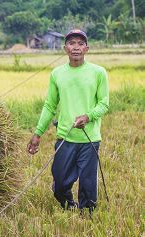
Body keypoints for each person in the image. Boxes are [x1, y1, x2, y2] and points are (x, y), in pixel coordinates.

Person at [27, 29, 109, 213]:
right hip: (65, 137)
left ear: (86, 49)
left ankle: (87, 216)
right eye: (72, 43)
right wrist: (37, 134)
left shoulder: (98, 73)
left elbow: (104, 104)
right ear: (65, 48)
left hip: (89, 139)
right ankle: (69, 204)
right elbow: (49, 106)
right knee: (60, 182)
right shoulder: (57, 74)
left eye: (80, 43)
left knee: (88, 185)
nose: (76, 47)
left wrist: (88, 117)